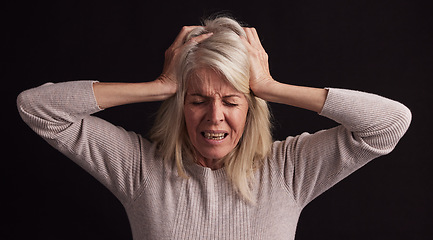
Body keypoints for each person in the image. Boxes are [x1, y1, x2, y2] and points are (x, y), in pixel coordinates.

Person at [17, 17, 411, 239]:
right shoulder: (139, 167)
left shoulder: (289, 169)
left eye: (232, 100)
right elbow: (37, 109)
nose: (214, 116)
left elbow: (390, 123)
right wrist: (159, 86)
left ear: (251, 106)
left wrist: (272, 87)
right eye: (198, 99)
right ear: (181, 106)